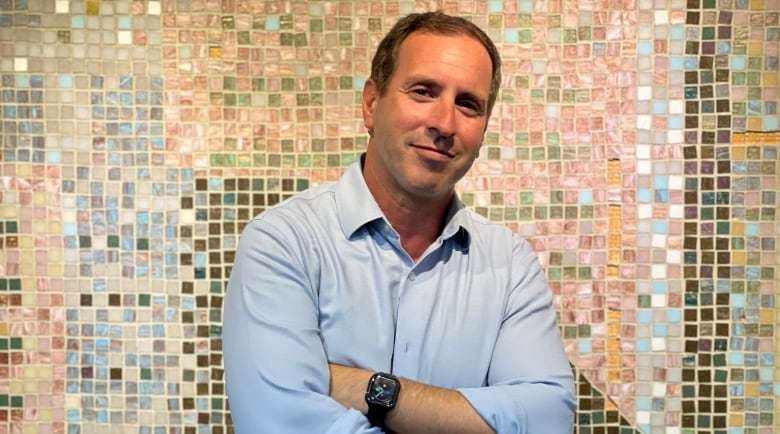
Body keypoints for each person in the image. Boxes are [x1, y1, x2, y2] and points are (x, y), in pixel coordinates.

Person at [222, 11, 576, 434]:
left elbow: (549, 419)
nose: (444, 123)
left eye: (468, 104)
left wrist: (368, 388)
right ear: (371, 104)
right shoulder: (285, 241)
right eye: (423, 91)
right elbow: (279, 424)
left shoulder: (510, 263)